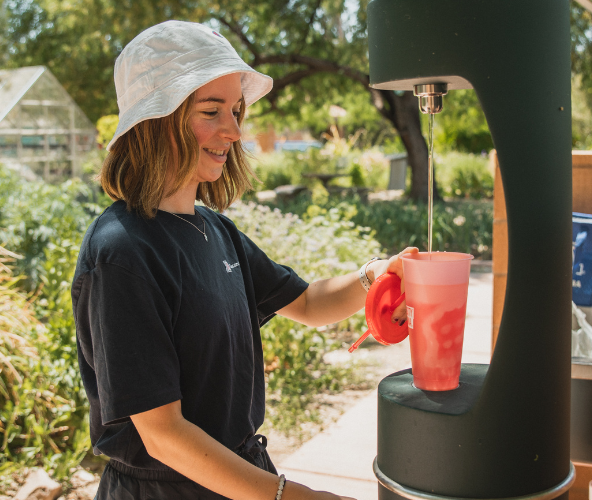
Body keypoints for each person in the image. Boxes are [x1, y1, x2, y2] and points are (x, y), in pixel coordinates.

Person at [72, 20, 413, 500]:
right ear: (155, 119)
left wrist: (375, 272)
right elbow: (163, 435)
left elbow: (310, 303)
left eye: (236, 110)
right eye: (211, 111)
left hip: (237, 478)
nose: (233, 131)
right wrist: (290, 496)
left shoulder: (215, 230)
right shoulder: (122, 252)